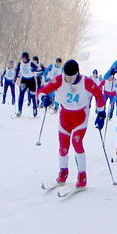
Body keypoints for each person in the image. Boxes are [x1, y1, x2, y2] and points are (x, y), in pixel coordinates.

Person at [38, 59, 105, 188]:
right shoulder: (59, 79)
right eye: (66, 76)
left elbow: (99, 95)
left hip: (81, 116)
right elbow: (41, 91)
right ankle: (63, 171)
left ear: (77, 73)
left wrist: (101, 113)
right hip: (65, 115)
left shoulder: (86, 81)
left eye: (71, 77)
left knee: (76, 142)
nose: (68, 80)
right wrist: (44, 98)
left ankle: (82, 174)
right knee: (63, 146)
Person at [16, 52, 39, 117]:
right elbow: (17, 70)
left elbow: (38, 68)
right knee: (21, 95)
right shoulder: (20, 63)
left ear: (27, 58)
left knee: (32, 96)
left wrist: (34, 69)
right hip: (24, 80)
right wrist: (15, 78)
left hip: (31, 80)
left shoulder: (31, 62)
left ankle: (34, 109)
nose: (23, 59)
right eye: (22, 58)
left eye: (24, 58)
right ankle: (19, 110)